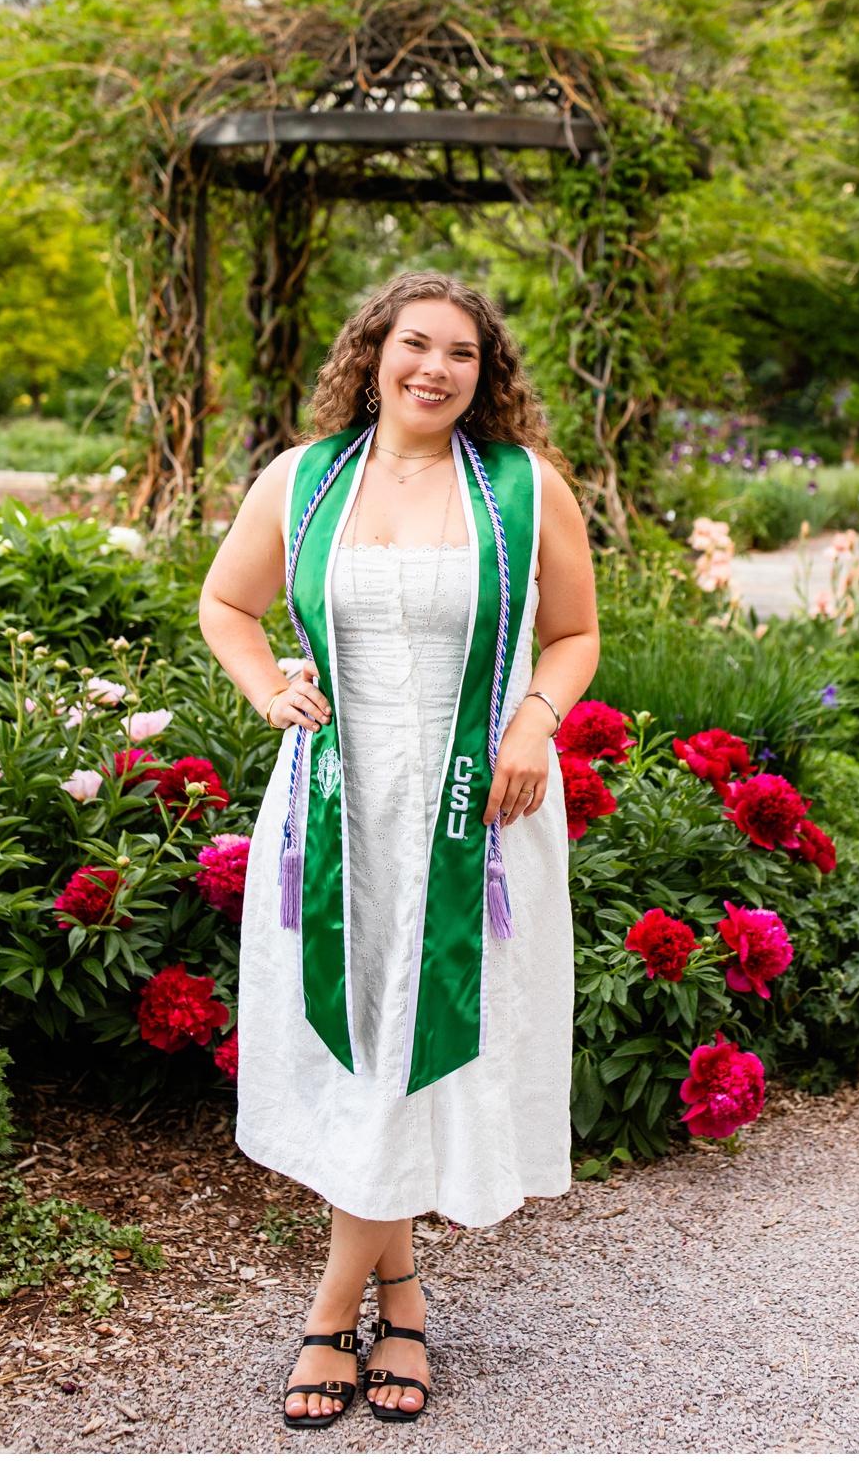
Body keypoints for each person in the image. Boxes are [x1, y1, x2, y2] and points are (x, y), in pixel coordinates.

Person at [199, 272, 599, 1426]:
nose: (436, 368)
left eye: (461, 353)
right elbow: (226, 606)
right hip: (338, 808)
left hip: (478, 814)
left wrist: (533, 722)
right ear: (374, 352)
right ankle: (402, 1299)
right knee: (364, 1051)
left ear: (486, 372)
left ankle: (333, 1315)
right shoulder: (302, 480)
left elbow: (574, 635)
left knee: (421, 1050)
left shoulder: (523, 488)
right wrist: (267, 688)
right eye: (416, 344)